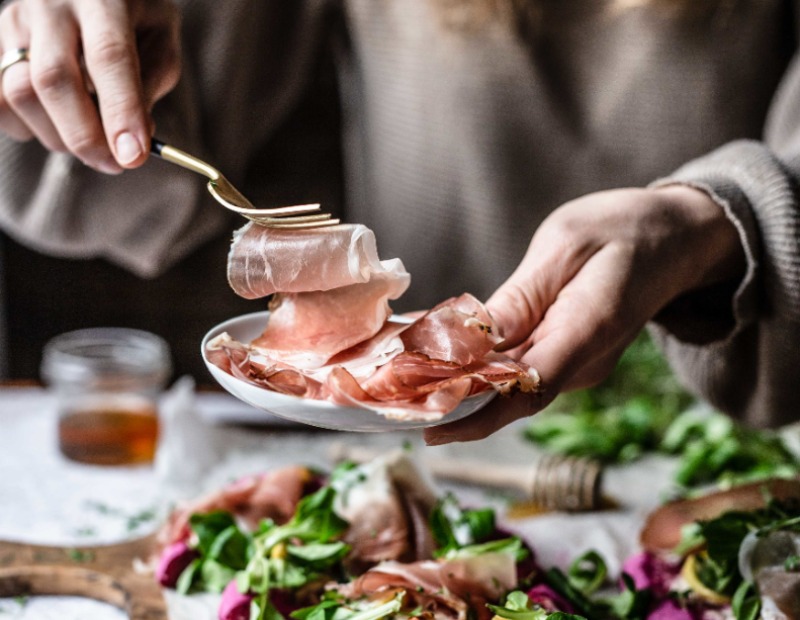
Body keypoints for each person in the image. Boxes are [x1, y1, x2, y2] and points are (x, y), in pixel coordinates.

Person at [0, 0, 797, 445]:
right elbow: (113, 172)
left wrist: (723, 222)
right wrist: (62, 60)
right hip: (407, 435)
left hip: (730, 434)